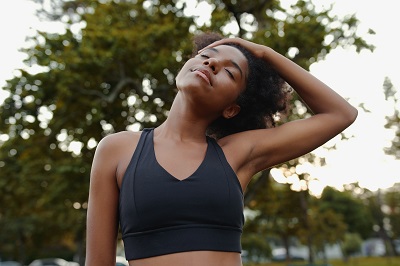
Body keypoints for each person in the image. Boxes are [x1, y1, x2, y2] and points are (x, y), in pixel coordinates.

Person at [85, 32, 357, 266]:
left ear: (231, 109)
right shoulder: (117, 149)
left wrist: (264, 53)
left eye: (229, 72)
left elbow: (340, 114)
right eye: (206, 56)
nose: (212, 63)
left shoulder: (236, 154)